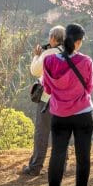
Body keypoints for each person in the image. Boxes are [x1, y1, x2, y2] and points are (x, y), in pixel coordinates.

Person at [42, 24, 93, 186]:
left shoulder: (48, 61)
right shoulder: (86, 61)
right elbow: (89, 86)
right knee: (83, 156)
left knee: (57, 154)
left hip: (59, 114)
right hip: (83, 114)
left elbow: (47, 88)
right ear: (78, 42)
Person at [22, 25, 65, 176]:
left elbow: (35, 71)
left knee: (42, 133)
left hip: (47, 100)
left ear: (53, 38)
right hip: (65, 101)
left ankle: (35, 167)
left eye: (50, 37)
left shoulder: (48, 55)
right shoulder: (70, 54)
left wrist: (36, 55)